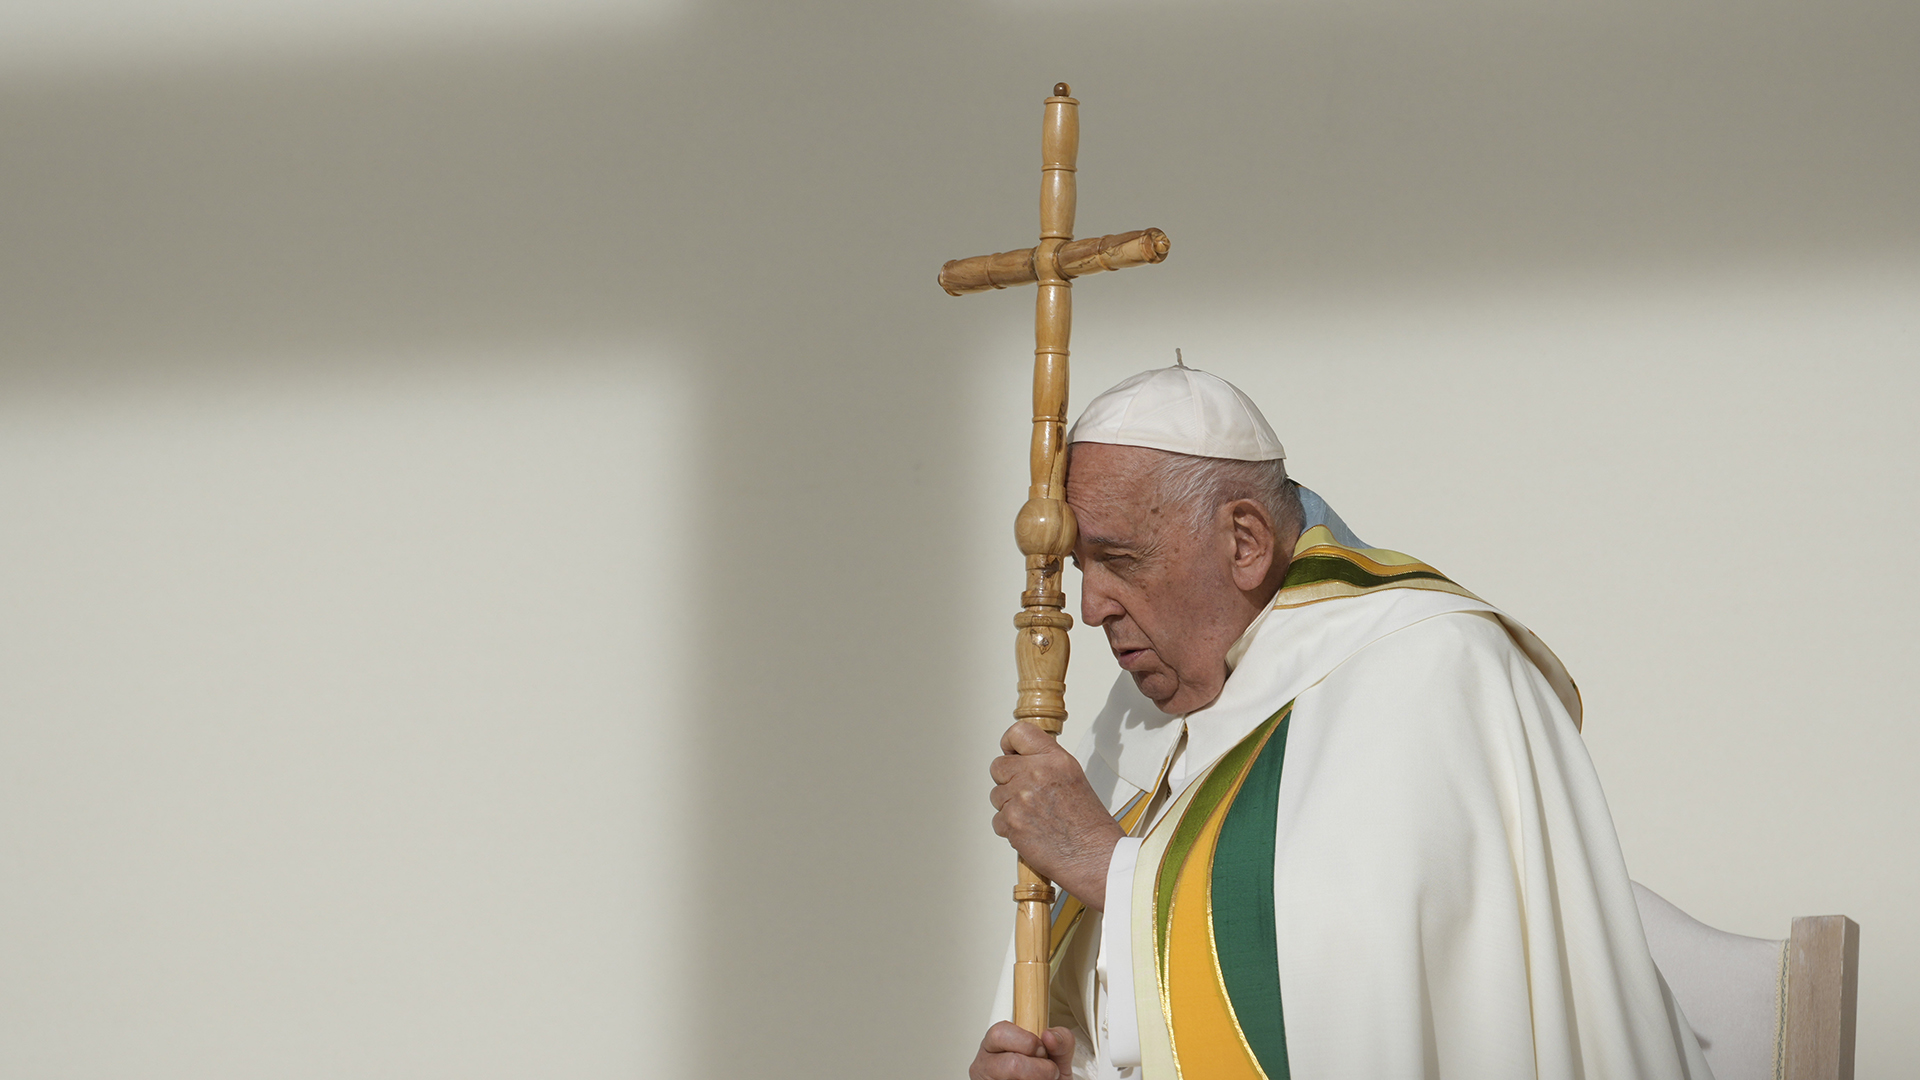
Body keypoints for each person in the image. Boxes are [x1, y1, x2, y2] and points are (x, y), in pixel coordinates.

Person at [969, 364, 1710, 1080]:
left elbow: (1368, 994)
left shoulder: (1427, 664)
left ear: (1245, 542)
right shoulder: (1137, 716)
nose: (1092, 605)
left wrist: (1110, 869)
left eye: (1120, 559)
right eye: (1080, 567)